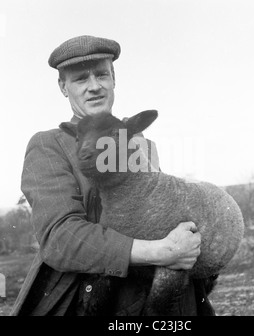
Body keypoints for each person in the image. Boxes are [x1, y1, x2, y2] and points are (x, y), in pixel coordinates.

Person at [11, 35, 215, 316]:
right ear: (63, 87)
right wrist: (160, 251)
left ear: (114, 78)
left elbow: (159, 211)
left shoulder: (140, 141)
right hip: (84, 293)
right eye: (81, 79)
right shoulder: (50, 144)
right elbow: (61, 237)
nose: (94, 86)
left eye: (102, 75)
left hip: (158, 291)